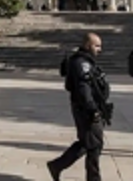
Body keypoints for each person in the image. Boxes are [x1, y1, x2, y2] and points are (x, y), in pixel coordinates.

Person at [47, 33, 110, 181]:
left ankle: (57, 166)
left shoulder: (85, 60)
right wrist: (92, 109)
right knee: (94, 145)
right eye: (97, 45)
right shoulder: (82, 63)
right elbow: (83, 88)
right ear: (88, 45)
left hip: (88, 107)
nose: (100, 49)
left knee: (87, 142)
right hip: (86, 109)